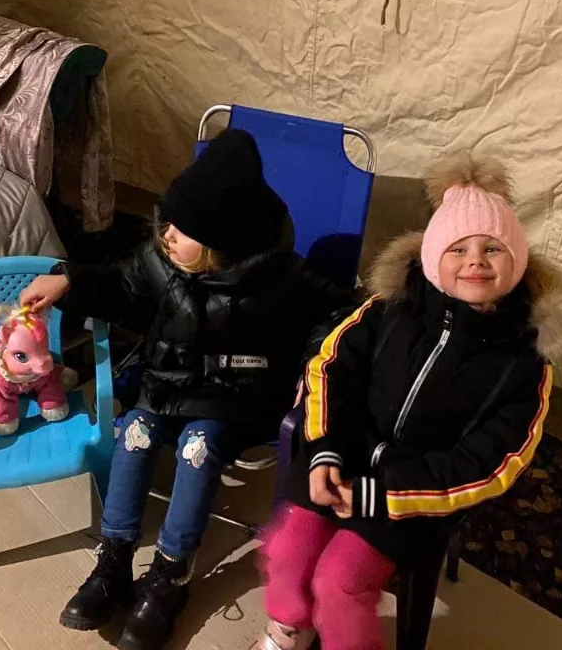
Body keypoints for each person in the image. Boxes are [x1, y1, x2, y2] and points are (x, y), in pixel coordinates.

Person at [20, 129, 357, 650]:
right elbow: (121, 283)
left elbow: (337, 314)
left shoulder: (277, 279)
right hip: (166, 385)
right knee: (134, 432)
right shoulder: (164, 261)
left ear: (221, 243)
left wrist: (314, 367)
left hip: (235, 398)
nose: (167, 235)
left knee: (198, 449)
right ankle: (114, 560)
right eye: (168, 223)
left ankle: (171, 574)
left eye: (182, 230)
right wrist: (70, 280)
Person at [251, 152, 562, 650]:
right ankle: (287, 626)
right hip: (340, 457)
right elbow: (331, 368)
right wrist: (324, 450)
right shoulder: (389, 309)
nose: (475, 260)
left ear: (516, 262)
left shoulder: (524, 363)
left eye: (493, 248)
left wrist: (382, 494)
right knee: (287, 547)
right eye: (458, 247)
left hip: (413, 498)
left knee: (339, 582)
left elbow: (492, 463)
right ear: (432, 257)